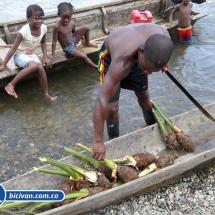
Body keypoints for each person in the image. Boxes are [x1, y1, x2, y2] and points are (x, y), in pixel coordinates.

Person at [92, 23, 173, 160]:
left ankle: (152, 127)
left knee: (144, 97)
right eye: (146, 69)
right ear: (141, 51)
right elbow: (102, 100)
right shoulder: (121, 63)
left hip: (143, 58)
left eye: (151, 71)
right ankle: (113, 139)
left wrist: (162, 64)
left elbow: (164, 50)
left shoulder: (163, 36)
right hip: (112, 57)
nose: (148, 73)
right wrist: (98, 141)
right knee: (112, 108)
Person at [0, 4, 57, 100]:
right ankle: (11, 85)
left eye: (41, 18)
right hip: (19, 55)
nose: (39, 21)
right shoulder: (23, 31)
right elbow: (13, 49)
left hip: (31, 55)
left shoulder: (43, 28)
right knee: (34, 66)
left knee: (40, 67)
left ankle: (46, 94)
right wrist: (3, 64)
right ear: (28, 18)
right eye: (36, 18)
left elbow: (43, 43)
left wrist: (45, 57)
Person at [51, 2, 98, 69]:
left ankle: (87, 43)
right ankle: (95, 66)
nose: (66, 20)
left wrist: (82, 38)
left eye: (68, 17)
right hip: (68, 48)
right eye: (64, 17)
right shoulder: (57, 26)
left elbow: (74, 33)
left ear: (71, 15)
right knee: (83, 56)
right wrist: (52, 55)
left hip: (73, 40)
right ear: (59, 14)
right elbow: (54, 42)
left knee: (86, 27)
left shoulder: (72, 23)